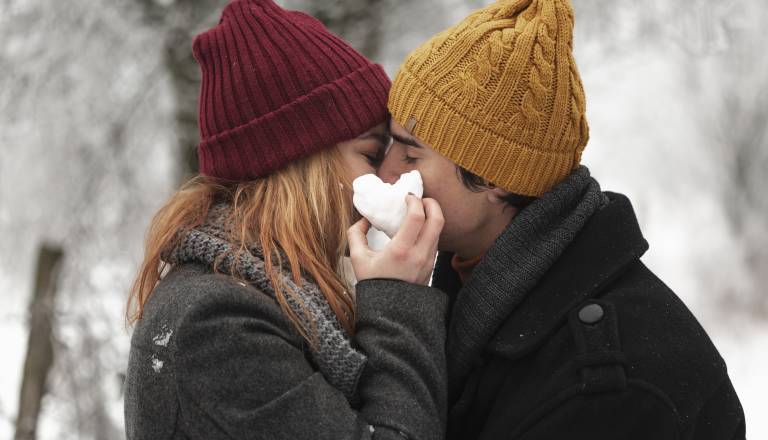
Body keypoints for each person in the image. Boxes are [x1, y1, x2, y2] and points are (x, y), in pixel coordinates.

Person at [374, 0, 746, 438]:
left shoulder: (607, 388)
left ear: (495, 175)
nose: (386, 171)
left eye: (411, 152)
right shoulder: (481, 291)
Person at [123, 1, 447, 439]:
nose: (389, 176)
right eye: (372, 154)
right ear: (300, 163)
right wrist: (397, 302)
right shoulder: (218, 325)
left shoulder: (248, 294)